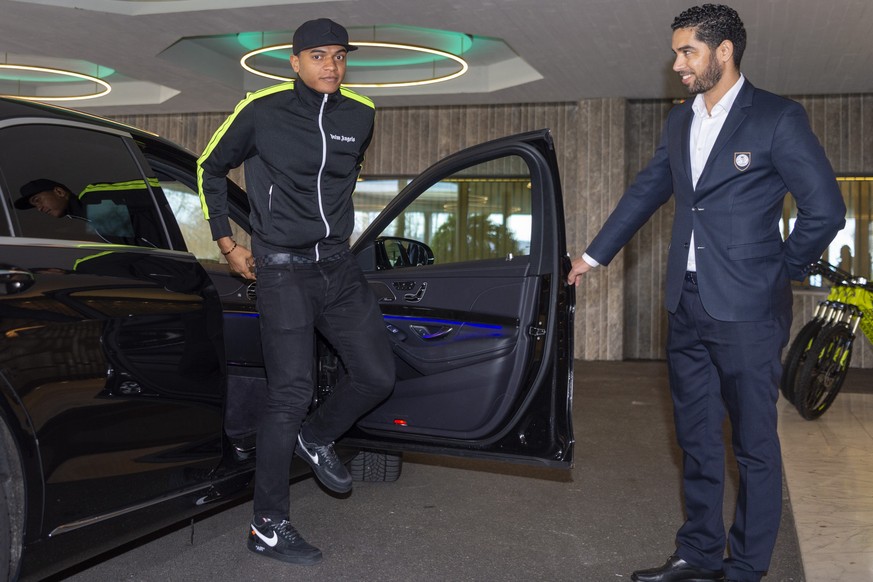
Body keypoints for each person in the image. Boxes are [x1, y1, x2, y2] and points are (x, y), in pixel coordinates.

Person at [567, 5, 845, 582]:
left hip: (748, 310)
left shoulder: (776, 117)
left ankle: (745, 566)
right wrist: (592, 257)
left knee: (754, 446)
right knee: (695, 440)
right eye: (676, 52)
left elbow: (825, 210)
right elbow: (646, 191)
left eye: (686, 51)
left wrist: (780, 268)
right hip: (686, 304)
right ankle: (697, 552)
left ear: (724, 52)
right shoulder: (679, 121)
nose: (676, 64)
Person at [197, 18, 395, 566]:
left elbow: (343, 184)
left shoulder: (362, 113)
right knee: (289, 393)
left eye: (338, 55)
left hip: (338, 265)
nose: (330, 65)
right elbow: (210, 168)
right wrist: (227, 243)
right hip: (281, 272)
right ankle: (267, 524)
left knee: (377, 374)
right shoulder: (261, 111)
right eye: (317, 56)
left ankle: (318, 436)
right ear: (295, 62)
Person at [15, 178, 84, 218]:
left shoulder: (90, 197)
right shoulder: (80, 214)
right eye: (35, 206)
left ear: (59, 192)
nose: (39, 209)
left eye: (37, 200)